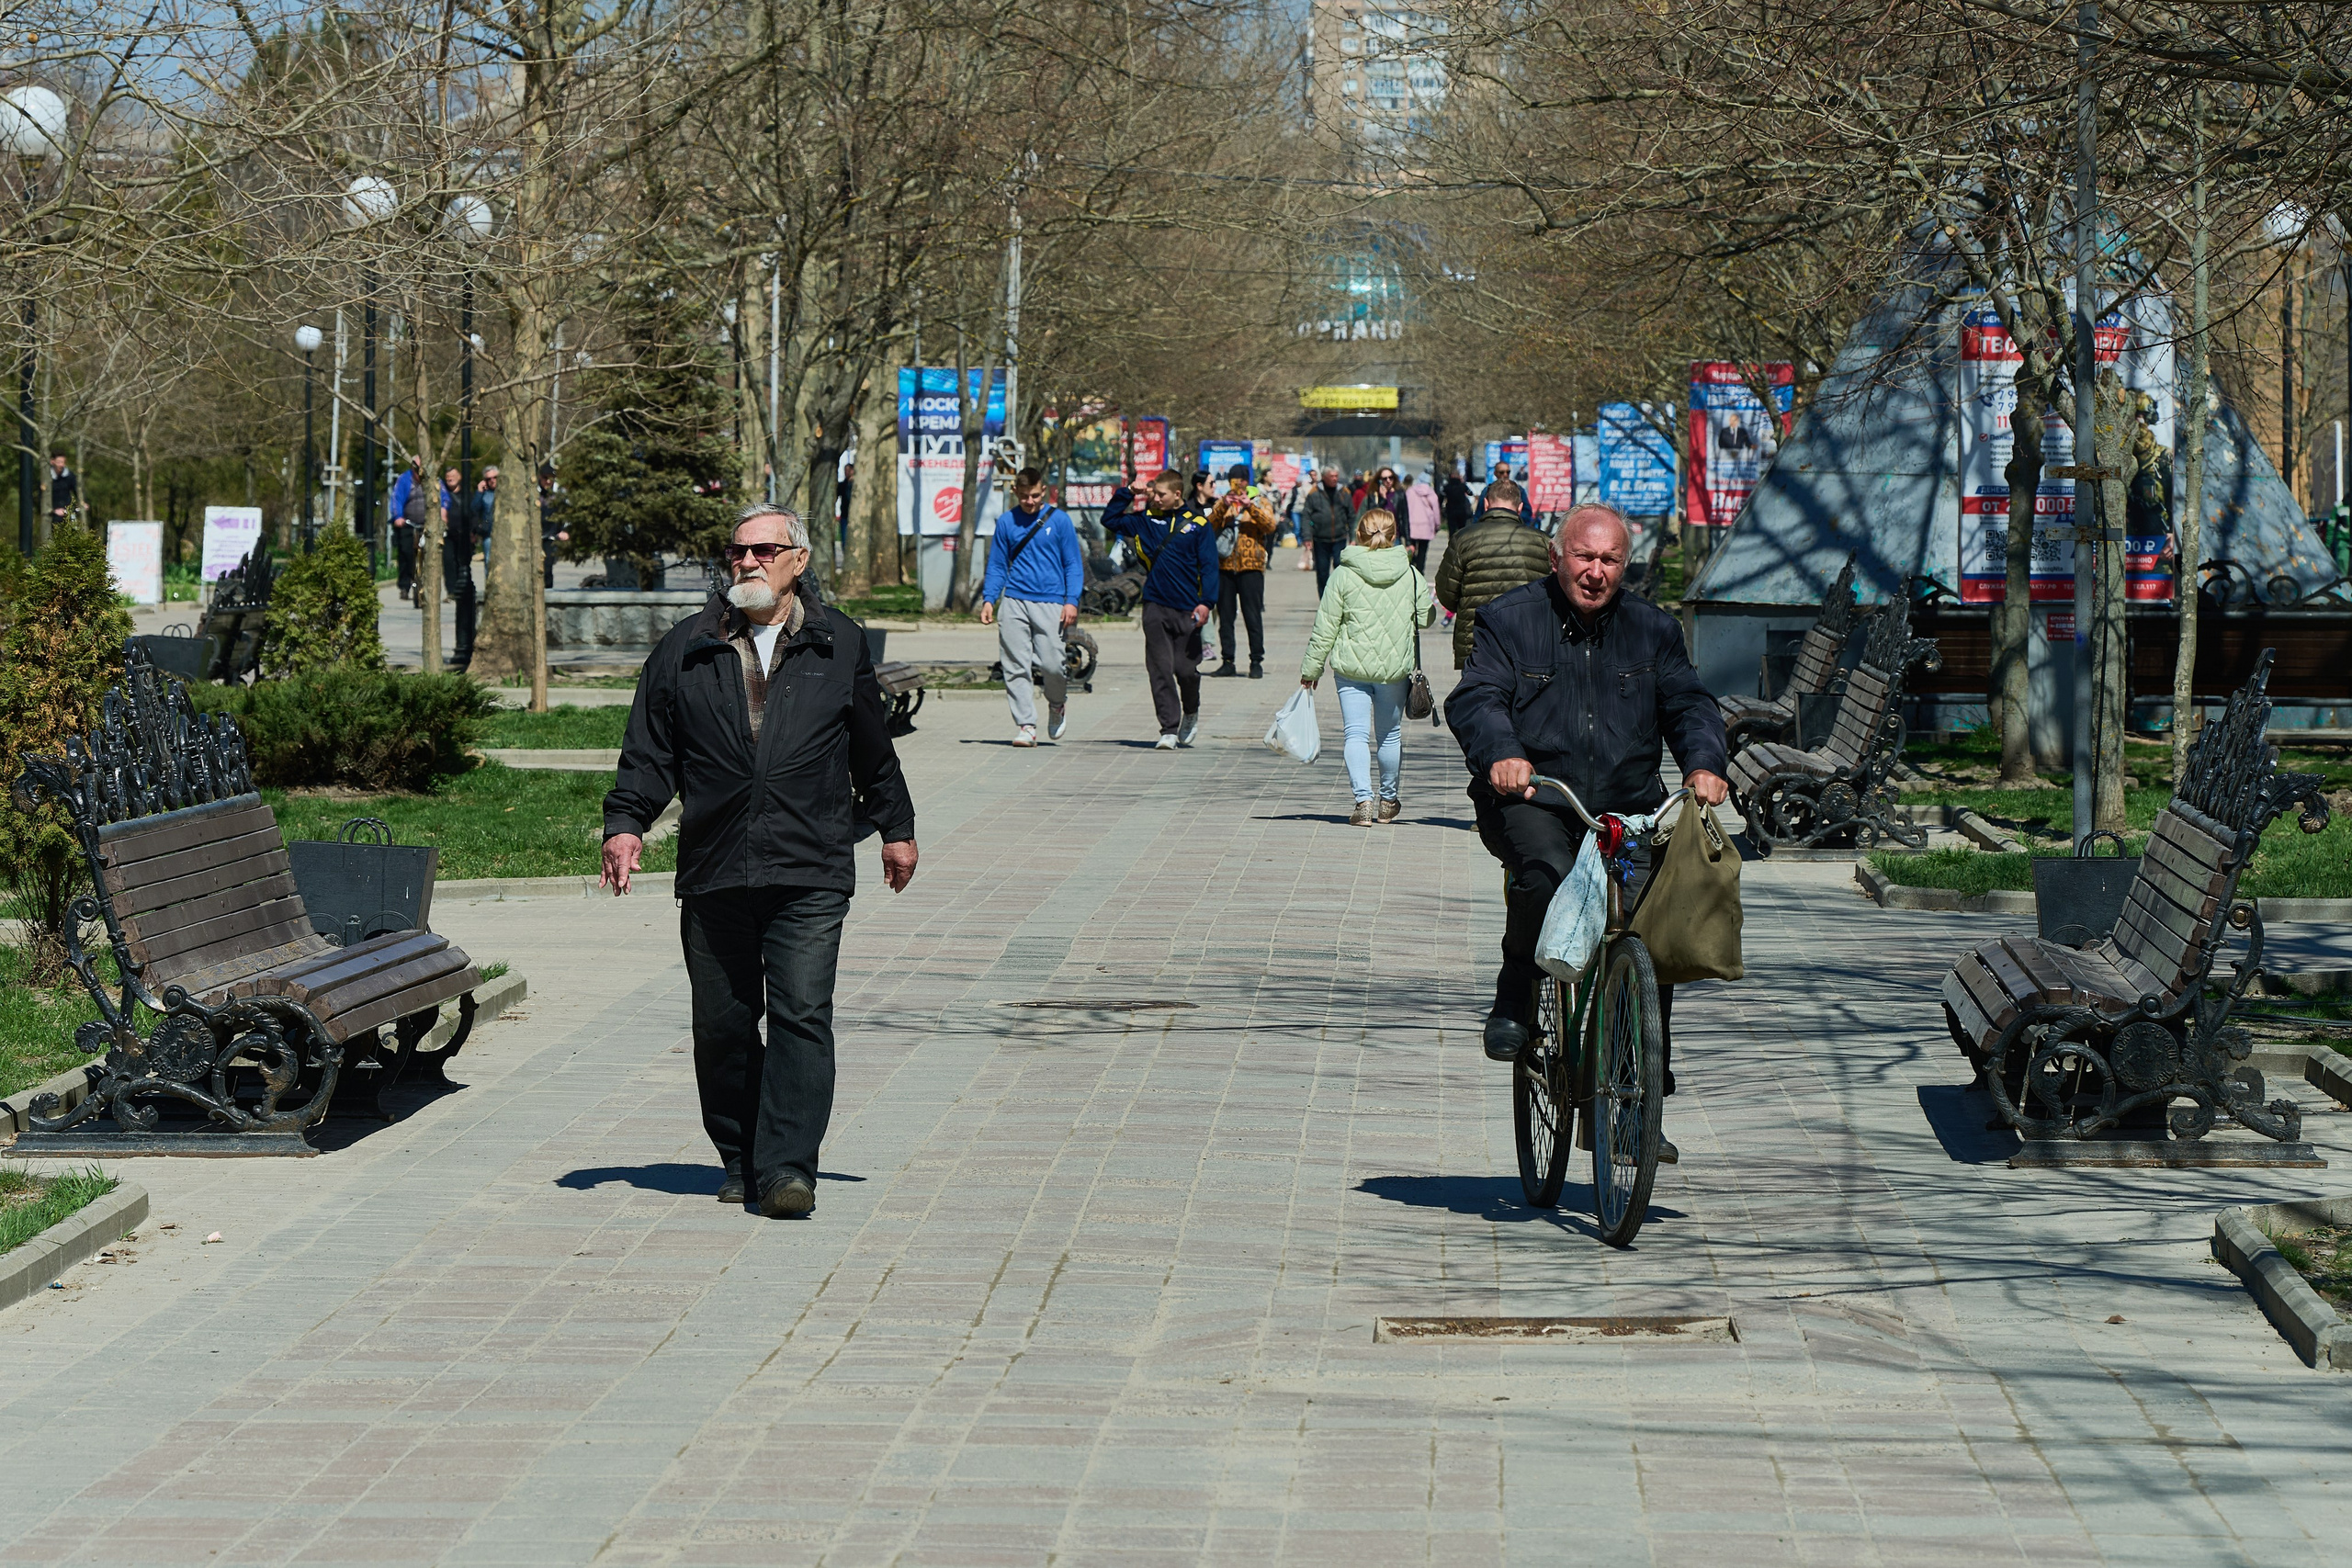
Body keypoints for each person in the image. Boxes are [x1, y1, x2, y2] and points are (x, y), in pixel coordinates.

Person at [601, 502, 919, 1220]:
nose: (746, 561)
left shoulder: (839, 643)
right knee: (722, 1022)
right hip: (715, 865)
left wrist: (896, 825)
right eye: (737, 551)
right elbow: (649, 750)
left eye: (764, 550)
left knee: (803, 1012)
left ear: (797, 560)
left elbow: (871, 744)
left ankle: (786, 1168)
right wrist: (626, 823)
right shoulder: (685, 647)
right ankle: (741, 1155)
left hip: (810, 863)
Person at [1444, 502, 1729, 1158]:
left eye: (1609, 561)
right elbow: (1477, 697)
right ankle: (1516, 993)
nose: (1596, 572)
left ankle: (1637, 1093)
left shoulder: (1651, 629)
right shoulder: (1511, 619)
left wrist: (1704, 763)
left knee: (1656, 926)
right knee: (1545, 876)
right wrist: (1502, 754)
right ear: (1556, 557)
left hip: (1627, 808)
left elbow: (1688, 701)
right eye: (1584, 557)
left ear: (1624, 566)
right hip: (1537, 798)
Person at [1300, 507, 1438, 826]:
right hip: (1393, 669)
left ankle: (1363, 802)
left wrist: (1311, 670)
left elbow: (1325, 627)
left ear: (1359, 533)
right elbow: (1426, 620)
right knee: (1389, 736)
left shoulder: (1343, 574)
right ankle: (1388, 801)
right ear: (1393, 535)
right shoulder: (1410, 573)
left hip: (1350, 669)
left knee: (1356, 735)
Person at [1101, 468, 1218, 750]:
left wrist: (1206, 603)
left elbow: (1210, 566)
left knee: (1185, 670)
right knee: (1160, 669)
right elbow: (1111, 519)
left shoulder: (1197, 524)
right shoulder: (1145, 520)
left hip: (1187, 607)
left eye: (1160, 494)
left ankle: (1191, 710)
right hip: (1154, 604)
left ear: (1177, 494)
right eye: (1153, 493)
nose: (1155, 498)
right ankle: (1168, 728)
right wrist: (1129, 492)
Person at [978, 467, 1084, 745]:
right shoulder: (1006, 522)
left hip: (1051, 601)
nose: (1030, 501)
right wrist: (990, 599)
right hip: (1014, 600)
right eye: (1024, 496)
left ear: (1044, 491)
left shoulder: (1059, 521)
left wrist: (1071, 601)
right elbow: (998, 565)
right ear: (1016, 492)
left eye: (1035, 496)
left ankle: (1057, 703)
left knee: (1053, 665)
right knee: (1014, 665)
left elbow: (1072, 563)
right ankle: (1026, 725)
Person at [1432, 477, 1553, 671]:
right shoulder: (1542, 542)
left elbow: (1446, 592)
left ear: (1486, 504)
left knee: (1479, 698)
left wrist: (1465, 606)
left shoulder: (1463, 539)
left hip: (1476, 641)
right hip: (1528, 642)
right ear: (1520, 507)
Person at [1209, 463, 1278, 679]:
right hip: (1226, 566)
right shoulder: (1224, 502)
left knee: (1252, 616)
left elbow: (1270, 525)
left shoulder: (1261, 501)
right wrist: (1223, 506)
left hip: (1251, 567)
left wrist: (1250, 507)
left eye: (1240, 481)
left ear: (1247, 482)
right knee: (1226, 616)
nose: (1237, 486)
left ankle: (1256, 661)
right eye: (1233, 482)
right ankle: (1227, 660)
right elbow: (1209, 525)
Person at [441, 467, 480, 669]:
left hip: (464, 535)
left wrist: (473, 531)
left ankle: (463, 586)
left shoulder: (468, 495)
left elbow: (474, 513)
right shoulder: (442, 494)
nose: (450, 479)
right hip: (448, 534)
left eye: (453, 476)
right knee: (448, 562)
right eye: (447, 477)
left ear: (460, 478)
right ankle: (453, 589)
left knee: (463, 563)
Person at [1302, 467, 1355, 594]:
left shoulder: (1344, 493)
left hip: (1340, 538)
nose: (1334, 479)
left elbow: (1352, 516)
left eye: (1336, 476)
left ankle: (1339, 598)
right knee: (1322, 572)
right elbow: (1306, 516)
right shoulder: (1314, 493)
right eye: (1331, 476)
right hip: (1320, 539)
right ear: (1324, 477)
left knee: (1340, 569)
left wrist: (1353, 537)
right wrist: (1307, 537)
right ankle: (1324, 600)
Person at [389, 458, 422, 601]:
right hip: (407, 523)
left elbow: (443, 498)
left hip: (426, 524)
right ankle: (404, 586)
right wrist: (398, 517)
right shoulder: (404, 479)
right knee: (406, 553)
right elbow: (396, 499)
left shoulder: (434, 480)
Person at [537, 464, 569, 589]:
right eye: (545, 478)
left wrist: (564, 530)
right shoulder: (534, 493)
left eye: (551, 478)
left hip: (550, 536)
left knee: (547, 567)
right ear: (540, 478)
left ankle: (548, 593)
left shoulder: (558, 495)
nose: (548, 482)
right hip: (534, 536)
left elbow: (566, 515)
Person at [1402, 472, 1441, 572]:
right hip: (1426, 527)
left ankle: (1410, 568)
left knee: (1411, 549)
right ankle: (1420, 570)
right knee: (1423, 551)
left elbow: (1405, 509)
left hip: (1412, 525)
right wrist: (1437, 525)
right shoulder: (1431, 493)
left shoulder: (1410, 491)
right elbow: (1436, 511)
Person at [47, 454, 75, 537]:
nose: (61, 465)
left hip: (67, 512)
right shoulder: (47, 477)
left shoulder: (70, 476)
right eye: (59, 462)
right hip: (52, 514)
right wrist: (53, 510)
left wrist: (83, 502)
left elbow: (77, 489)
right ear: (52, 462)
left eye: (63, 462)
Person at [1442, 466, 1474, 536]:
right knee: (1461, 529)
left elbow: (1441, 496)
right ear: (1459, 476)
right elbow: (1471, 493)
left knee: (1452, 529)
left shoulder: (1447, 487)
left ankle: (1452, 542)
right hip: (1461, 510)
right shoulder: (1462, 486)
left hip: (1451, 510)